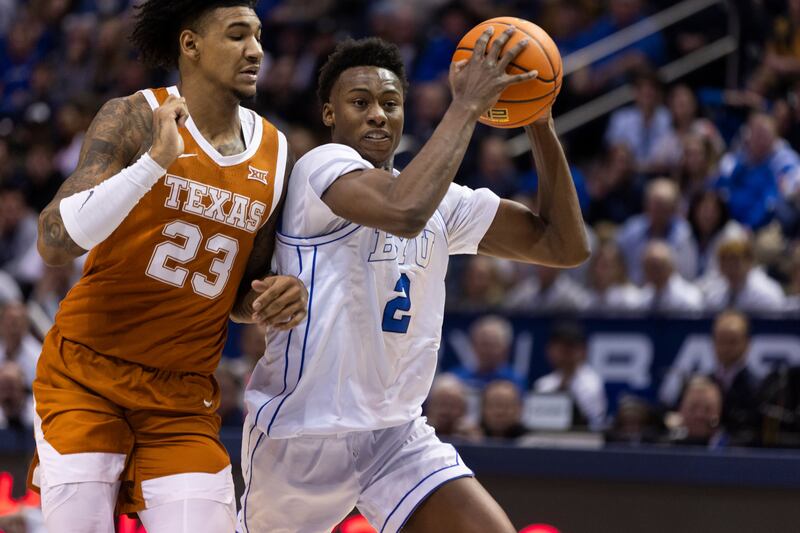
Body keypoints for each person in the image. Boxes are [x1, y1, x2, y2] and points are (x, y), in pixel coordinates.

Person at [242, 33, 589, 533]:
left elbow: (564, 246)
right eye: (360, 103)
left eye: (390, 103)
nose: (378, 115)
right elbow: (401, 210)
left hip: (394, 431)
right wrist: (468, 103)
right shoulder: (321, 168)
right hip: (304, 432)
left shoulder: (441, 203)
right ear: (330, 115)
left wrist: (537, 121)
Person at [28, 2, 308, 532]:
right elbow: (54, 241)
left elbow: (241, 290)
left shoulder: (275, 150)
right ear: (190, 45)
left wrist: (278, 295)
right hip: (87, 374)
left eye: (259, 36)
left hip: (181, 397)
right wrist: (154, 163)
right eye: (237, 36)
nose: (256, 51)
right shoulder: (135, 115)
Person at [533, 321, 607, 431]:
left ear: (582, 351)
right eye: (560, 348)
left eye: (570, 348)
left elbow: (593, 425)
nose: (565, 354)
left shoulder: (591, 384)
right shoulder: (543, 384)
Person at [451, 315, 526, 392]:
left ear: (506, 349)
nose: (488, 351)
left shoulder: (514, 382)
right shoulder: (456, 378)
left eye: (493, 345)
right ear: (473, 346)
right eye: (484, 344)